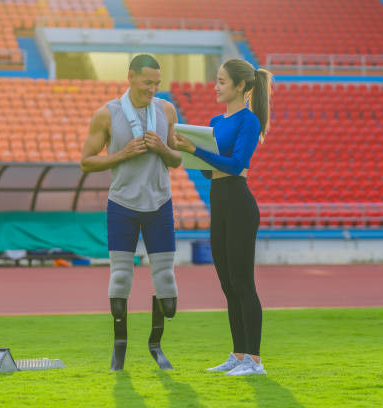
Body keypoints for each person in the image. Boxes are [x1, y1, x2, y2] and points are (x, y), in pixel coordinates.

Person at [80, 54, 182, 371]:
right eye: (147, 82)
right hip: (122, 204)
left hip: (160, 203)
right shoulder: (106, 114)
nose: (153, 89)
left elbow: (177, 160)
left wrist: (163, 149)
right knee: (121, 276)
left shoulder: (166, 110)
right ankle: (119, 347)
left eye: (157, 84)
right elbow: (86, 161)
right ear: (131, 77)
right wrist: (122, 154)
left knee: (166, 284)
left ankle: (156, 344)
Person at [173, 58, 271, 376]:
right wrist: (189, 152)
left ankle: (254, 361)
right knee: (228, 285)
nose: (216, 86)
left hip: (240, 204)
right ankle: (238, 354)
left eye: (221, 81)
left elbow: (235, 163)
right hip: (219, 202)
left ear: (241, 86)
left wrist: (197, 150)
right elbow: (209, 171)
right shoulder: (216, 119)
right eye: (216, 80)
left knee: (243, 282)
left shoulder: (249, 120)